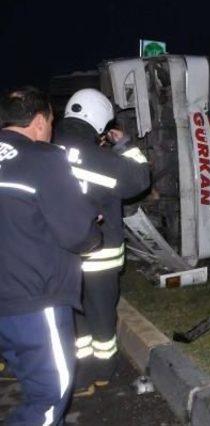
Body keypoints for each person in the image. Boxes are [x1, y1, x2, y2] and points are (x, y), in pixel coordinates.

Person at [0, 87, 102, 424]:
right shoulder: (43, 159)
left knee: (29, 376)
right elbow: (76, 234)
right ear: (41, 120)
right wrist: (93, 228)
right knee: (48, 395)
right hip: (34, 300)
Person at [54, 88, 150, 396]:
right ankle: (104, 371)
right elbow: (139, 180)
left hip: (63, 253)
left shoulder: (47, 151)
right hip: (101, 253)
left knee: (74, 313)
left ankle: (80, 374)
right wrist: (124, 144)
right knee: (101, 314)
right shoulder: (100, 158)